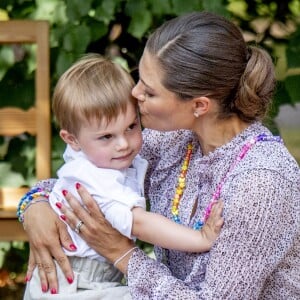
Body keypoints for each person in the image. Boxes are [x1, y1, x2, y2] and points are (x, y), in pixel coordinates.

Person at [19, 11, 299, 299]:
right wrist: (35, 208)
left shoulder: (261, 184)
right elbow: (84, 181)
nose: (134, 93)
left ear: (200, 106)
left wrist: (122, 254)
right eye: (139, 78)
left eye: (150, 93)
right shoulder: (174, 140)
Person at [19, 53, 223, 299]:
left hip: (82, 281)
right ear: (71, 140)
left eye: (131, 127)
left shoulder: (91, 154)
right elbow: (140, 223)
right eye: (107, 136)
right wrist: (201, 239)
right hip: (76, 283)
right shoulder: (98, 178)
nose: (124, 144)